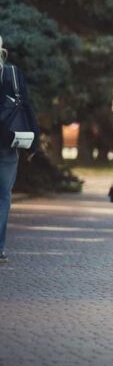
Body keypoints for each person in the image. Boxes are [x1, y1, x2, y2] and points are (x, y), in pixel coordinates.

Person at [0, 36, 40, 263]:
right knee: (3, 196)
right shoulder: (11, 74)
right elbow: (25, 106)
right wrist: (34, 141)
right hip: (7, 141)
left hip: (5, 143)